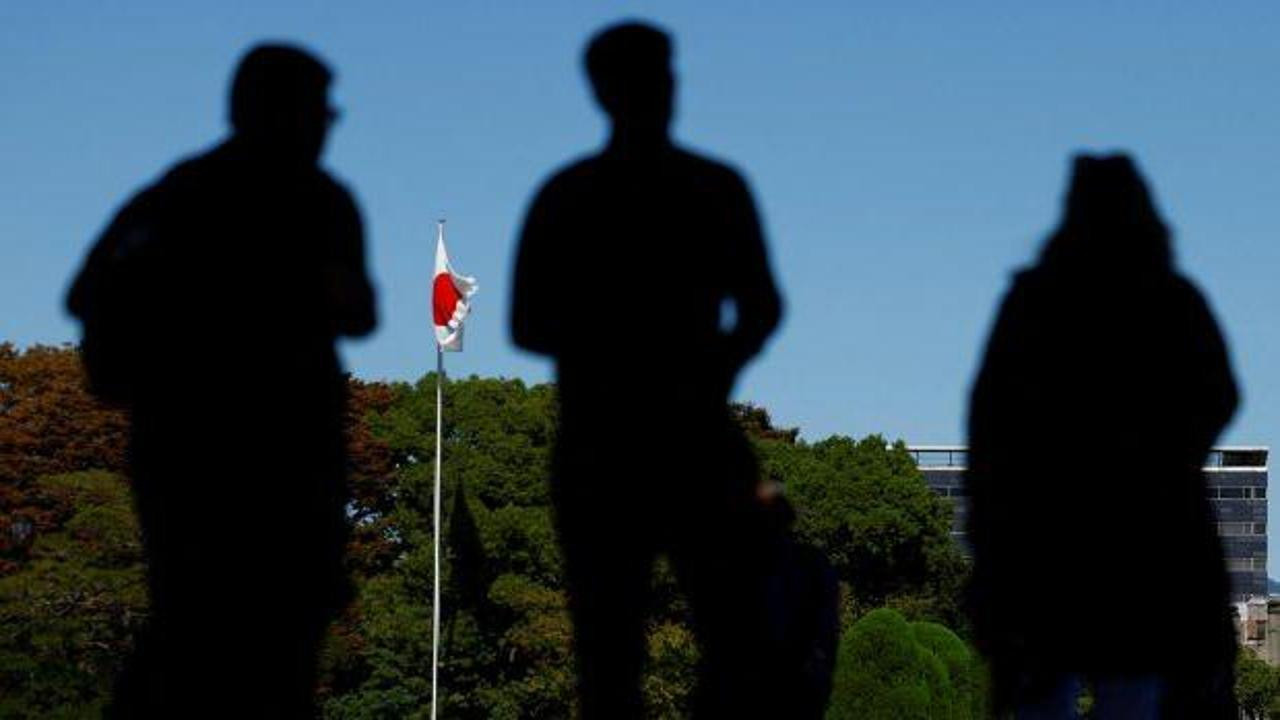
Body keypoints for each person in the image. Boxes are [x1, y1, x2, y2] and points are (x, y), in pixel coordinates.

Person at [67, 43, 376, 718]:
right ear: (275, 111)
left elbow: (88, 289)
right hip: (236, 450)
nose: (326, 125)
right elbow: (359, 309)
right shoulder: (306, 200)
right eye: (318, 110)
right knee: (233, 630)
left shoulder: (183, 193)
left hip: (225, 447)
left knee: (218, 626)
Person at [510, 21, 786, 719]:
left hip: (616, 439)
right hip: (656, 436)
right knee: (704, 641)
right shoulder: (709, 187)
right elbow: (762, 306)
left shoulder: (569, 194)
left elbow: (527, 324)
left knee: (627, 650)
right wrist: (703, 365)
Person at [965, 154, 1238, 719]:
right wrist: (1163, 454)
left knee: (1042, 689)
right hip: (1148, 533)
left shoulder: (1034, 301)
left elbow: (990, 420)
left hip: (1046, 532)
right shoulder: (1172, 298)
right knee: (1134, 688)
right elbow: (1221, 393)